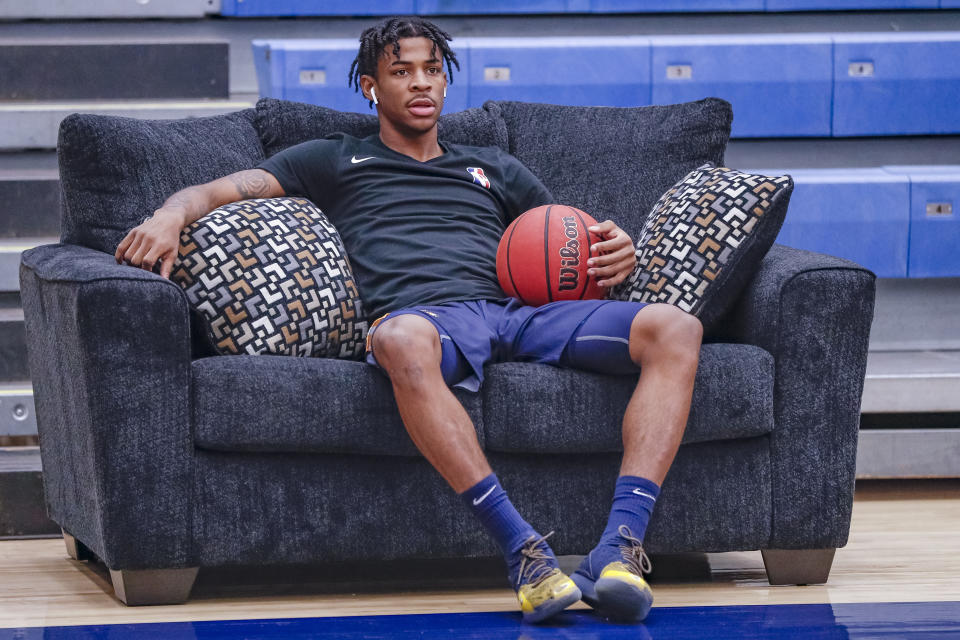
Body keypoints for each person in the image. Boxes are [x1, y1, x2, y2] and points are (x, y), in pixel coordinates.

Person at [114, 16, 702, 625]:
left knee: (676, 328)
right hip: (426, 319)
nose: (421, 84)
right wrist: (170, 215)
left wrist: (619, 247)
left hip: (518, 313)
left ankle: (620, 552)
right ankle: (526, 554)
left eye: (432, 70)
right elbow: (221, 191)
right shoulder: (334, 158)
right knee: (397, 337)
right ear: (371, 87)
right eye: (402, 72)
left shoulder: (493, 166)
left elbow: (566, 240)